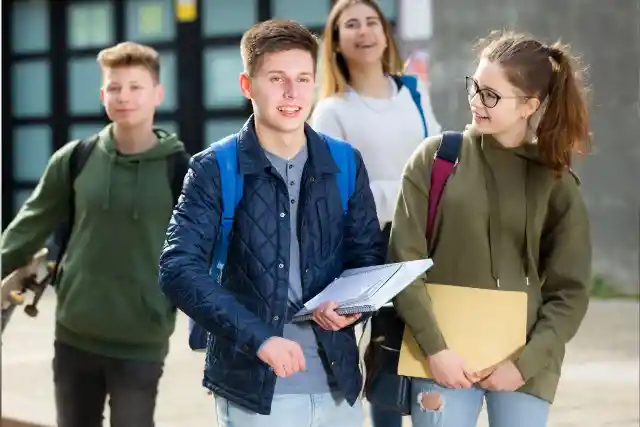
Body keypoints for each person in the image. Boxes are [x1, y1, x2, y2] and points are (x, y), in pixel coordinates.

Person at [158, 19, 385, 427]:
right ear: (248, 85)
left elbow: (367, 255)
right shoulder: (215, 167)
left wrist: (353, 308)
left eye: (303, 79)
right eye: (276, 78)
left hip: (339, 388)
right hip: (255, 392)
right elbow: (178, 268)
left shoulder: (346, 162)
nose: (291, 92)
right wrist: (260, 339)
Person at [390, 30, 592, 427]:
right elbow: (403, 261)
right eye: (475, 87)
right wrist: (436, 350)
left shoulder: (555, 182)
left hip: (523, 366)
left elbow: (569, 292)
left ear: (529, 106)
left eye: (492, 96)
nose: (476, 102)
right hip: (439, 359)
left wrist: (526, 364)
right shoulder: (435, 160)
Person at [1, 42, 189, 427]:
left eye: (135, 87)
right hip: (75, 333)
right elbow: (25, 230)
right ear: (103, 95)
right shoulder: (75, 158)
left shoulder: (182, 171)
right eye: (114, 87)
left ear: (157, 94)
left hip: (142, 339)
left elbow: (210, 254)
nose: (124, 97)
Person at [311, 1, 441, 426]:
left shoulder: (413, 93)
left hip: (428, 237)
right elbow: (336, 191)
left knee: (432, 348)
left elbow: (439, 157)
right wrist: (409, 192)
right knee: (386, 356)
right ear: (335, 42)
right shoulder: (332, 110)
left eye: (372, 22)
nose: (364, 31)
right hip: (376, 246)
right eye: (351, 25)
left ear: (386, 34)